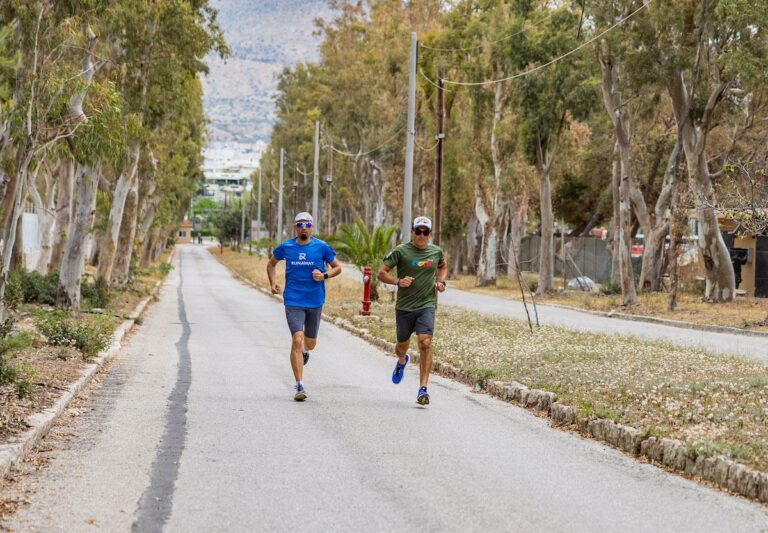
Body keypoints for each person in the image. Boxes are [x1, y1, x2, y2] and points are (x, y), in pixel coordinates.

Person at [267, 212, 341, 401]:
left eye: (307, 224)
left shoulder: (321, 247)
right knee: (297, 339)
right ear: (295, 227)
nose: (303, 228)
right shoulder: (287, 247)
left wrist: (324, 275)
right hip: (293, 300)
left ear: (312, 227)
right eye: (300, 224)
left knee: (310, 343)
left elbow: (337, 267)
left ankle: (306, 352)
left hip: (315, 300)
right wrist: (273, 283)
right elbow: (271, 264)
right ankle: (299, 385)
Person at [377, 216, 447, 405]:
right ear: (413, 232)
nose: (421, 235)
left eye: (425, 232)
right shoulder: (401, 251)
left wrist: (440, 282)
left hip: (427, 305)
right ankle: (401, 361)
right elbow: (381, 273)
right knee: (401, 346)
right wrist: (398, 281)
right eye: (418, 231)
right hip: (404, 307)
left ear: (430, 234)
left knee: (425, 343)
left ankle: (423, 389)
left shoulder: (436, 252)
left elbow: (442, 266)